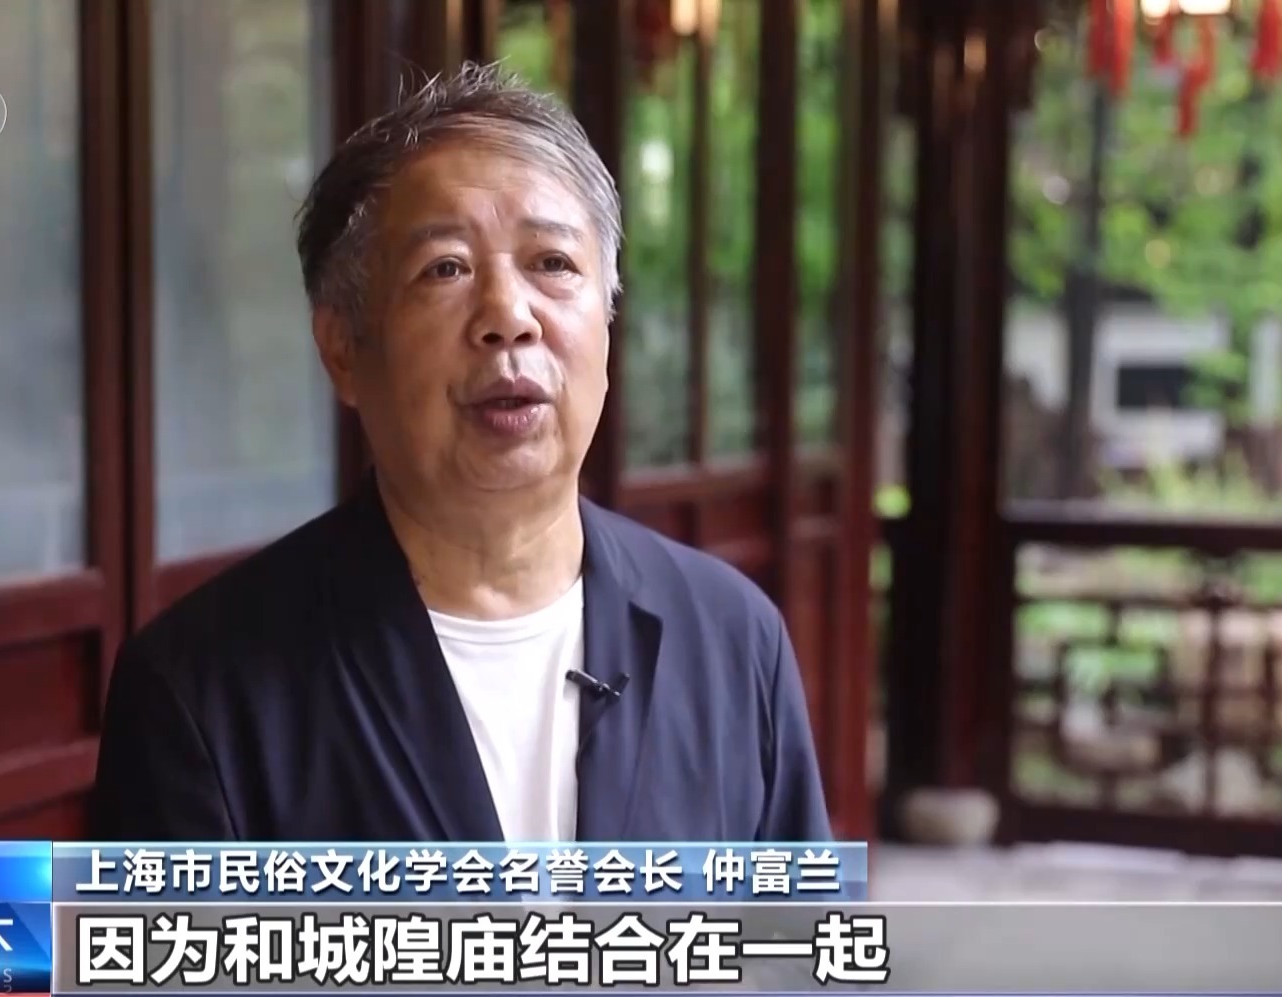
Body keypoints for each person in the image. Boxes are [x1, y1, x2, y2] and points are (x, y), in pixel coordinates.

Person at [88, 64, 830, 843]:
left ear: (607, 324)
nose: (508, 316)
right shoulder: (201, 691)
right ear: (344, 349)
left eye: (553, 264)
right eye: (445, 268)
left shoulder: (731, 635)